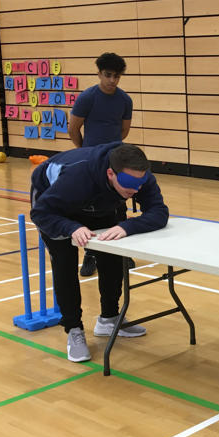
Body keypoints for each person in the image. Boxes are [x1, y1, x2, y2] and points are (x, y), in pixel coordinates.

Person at [30, 142, 169, 363]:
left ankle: (109, 319)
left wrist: (127, 227)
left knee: (113, 256)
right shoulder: (77, 176)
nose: (136, 190)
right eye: (129, 184)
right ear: (111, 173)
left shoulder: (139, 177)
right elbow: (40, 213)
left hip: (100, 203)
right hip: (55, 205)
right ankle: (73, 329)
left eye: (140, 183)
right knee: (64, 263)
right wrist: (71, 228)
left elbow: (159, 212)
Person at [69, 52, 134, 277]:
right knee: (92, 207)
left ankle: (123, 252)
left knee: (119, 205)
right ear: (99, 73)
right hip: (91, 161)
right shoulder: (87, 97)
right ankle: (91, 253)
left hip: (116, 161)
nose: (112, 80)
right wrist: (86, 152)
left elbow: (123, 130)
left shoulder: (125, 100)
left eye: (117, 76)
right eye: (108, 75)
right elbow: (73, 129)